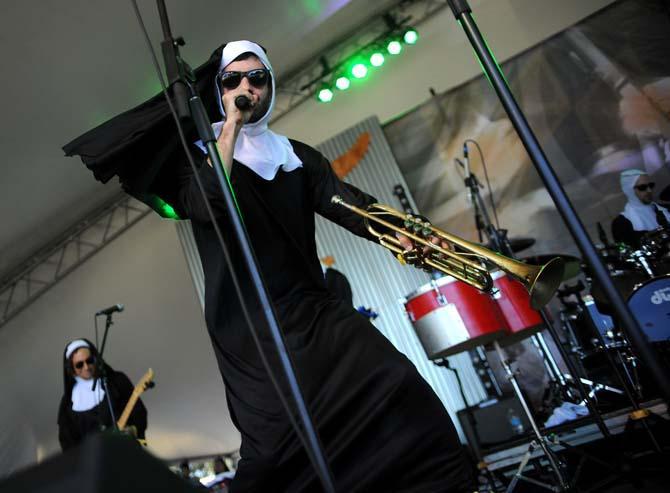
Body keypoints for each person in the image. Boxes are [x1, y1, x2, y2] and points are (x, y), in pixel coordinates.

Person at [176, 40, 472, 492]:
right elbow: (208, 202)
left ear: (270, 86)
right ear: (216, 92)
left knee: (398, 385)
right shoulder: (203, 156)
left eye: (257, 78)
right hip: (249, 326)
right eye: (231, 80)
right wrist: (229, 127)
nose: (245, 88)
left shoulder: (297, 156)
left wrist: (396, 230)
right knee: (277, 449)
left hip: (312, 307)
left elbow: (349, 205)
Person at [57, 339, 147, 451]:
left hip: (126, 452)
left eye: (89, 361)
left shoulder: (117, 381)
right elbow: (67, 442)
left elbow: (139, 412)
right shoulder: (68, 403)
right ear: (72, 370)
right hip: (93, 464)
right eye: (79, 365)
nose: (86, 367)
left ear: (95, 359)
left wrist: (132, 430)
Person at [611, 169, 670, 248]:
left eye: (651, 185)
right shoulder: (621, 224)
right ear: (629, 190)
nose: (649, 190)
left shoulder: (666, 209)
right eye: (643, 187)